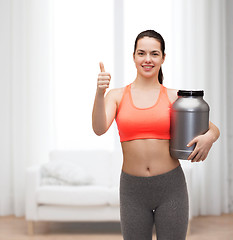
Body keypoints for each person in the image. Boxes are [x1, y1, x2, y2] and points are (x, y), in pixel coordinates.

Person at [92, 30, 220, 240]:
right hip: (132, 189)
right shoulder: (116, 96)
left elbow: (212, 127)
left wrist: (210, 137)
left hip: (171, 188)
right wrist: (99, 93)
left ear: (163, 58)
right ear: (133, 56)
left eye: (154, 53)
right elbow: (98, 128)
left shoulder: (173, 97)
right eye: (141, 53)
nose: (147, 59)